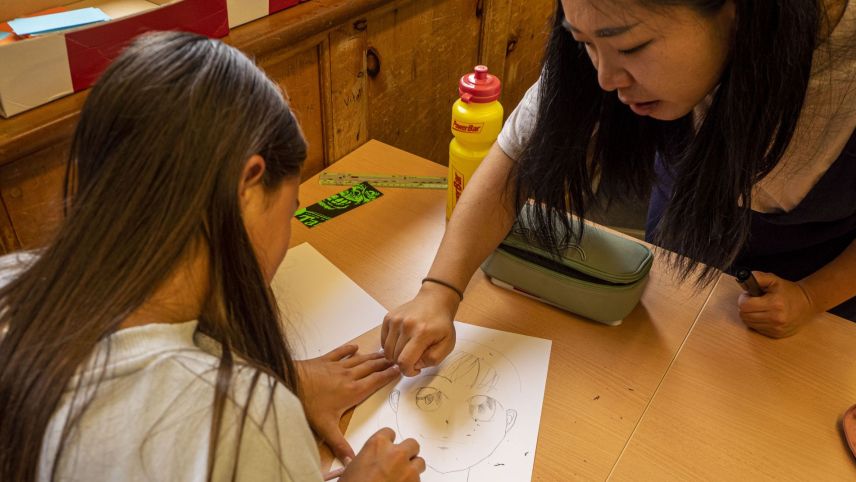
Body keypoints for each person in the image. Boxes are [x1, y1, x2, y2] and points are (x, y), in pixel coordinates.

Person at [0, 32, 425, 481]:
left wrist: (288, 380)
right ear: (247, 186)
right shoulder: (239, 421)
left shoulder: (13, 281)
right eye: (291, 210)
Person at [382, 0, 856, 377]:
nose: (606, 79)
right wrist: (439, 291)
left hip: (826, 280)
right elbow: (515, 159)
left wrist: (812, 297)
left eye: (631, 47)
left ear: (735, 11)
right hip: (683, 250)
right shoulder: (606, 26)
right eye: (585, 43)